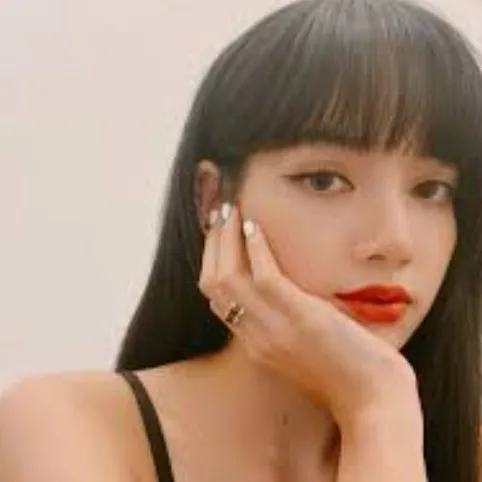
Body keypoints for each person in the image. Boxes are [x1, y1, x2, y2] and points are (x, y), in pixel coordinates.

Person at [1, 0, 482, 480]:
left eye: (431, 190)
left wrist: (380, 411)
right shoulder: (67, 427)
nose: (394, 242)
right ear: (213, 199)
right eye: (324, 181)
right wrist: (375, 401)